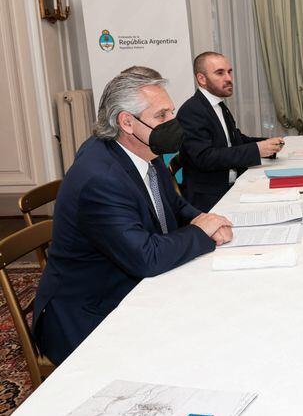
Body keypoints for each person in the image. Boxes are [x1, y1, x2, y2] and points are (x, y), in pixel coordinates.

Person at [33, 69, 233, 364]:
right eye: (161, 116)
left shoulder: (143, 152)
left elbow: (174, 207)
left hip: (130, 283)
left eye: (171, 113)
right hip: (89, 313)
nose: (173, 124)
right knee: (196, 350)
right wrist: (201, 231)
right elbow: (146, 258)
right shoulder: (100, 178)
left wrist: (204, 219)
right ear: (126, 122)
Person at [177, 52, 284, 211]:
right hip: (210, 197)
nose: (228, 78)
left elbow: (234, 139)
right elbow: (205, 158)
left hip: (232, 186)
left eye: (229, 72)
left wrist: (266, 144)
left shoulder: (218, 105)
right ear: (202, 79)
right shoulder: (191, 111)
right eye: (220, 73)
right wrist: (257, 150)